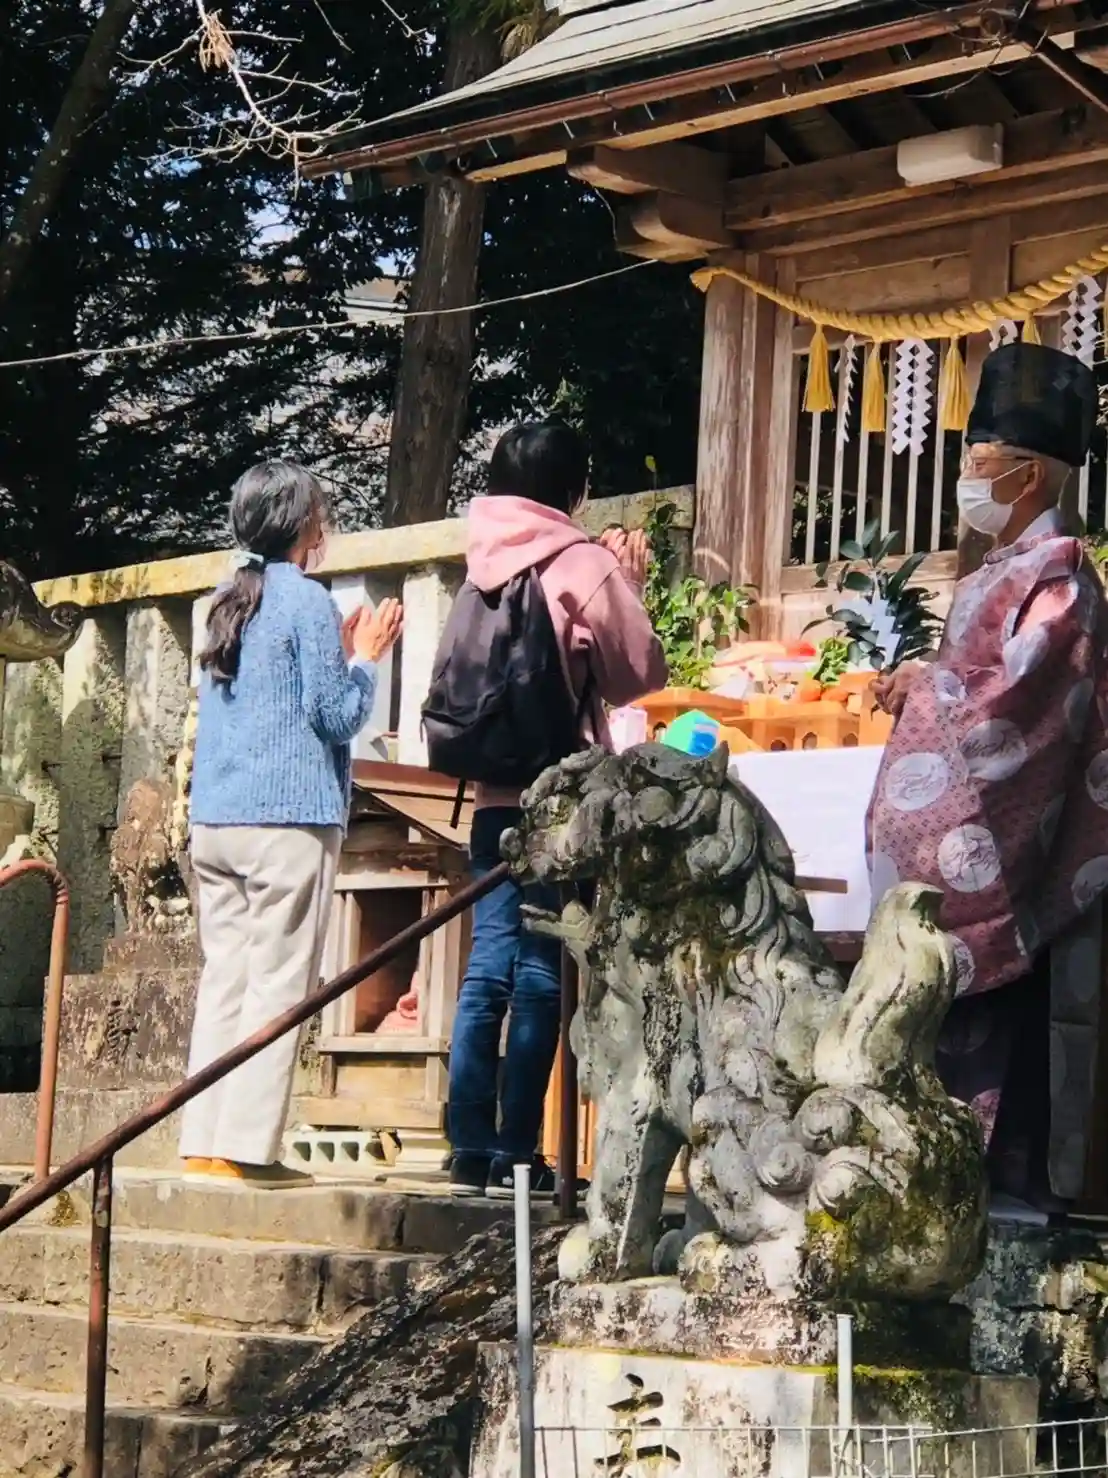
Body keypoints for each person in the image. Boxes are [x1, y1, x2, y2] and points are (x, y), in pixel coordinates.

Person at [867, 341, 1106, 1213]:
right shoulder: (1007, 570)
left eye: (978, 460)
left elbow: (1026, 705)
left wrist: (929, 692)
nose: (967, 477)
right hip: (983, 825)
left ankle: (1000, 1189)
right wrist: (926, 683)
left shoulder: (1063, 578)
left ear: (1028, 475)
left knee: (1006, 1012)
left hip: (1016, 853)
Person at [445, 421, 668, 1199]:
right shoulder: (581, 562)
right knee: (541, 975)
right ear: (574, 488)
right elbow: (638, 673)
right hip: (560, 803)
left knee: (486, 969)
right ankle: (517, 1155)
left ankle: (468, 1149)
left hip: (490, 800)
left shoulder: (479, 562)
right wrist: (628, 586)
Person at [180, 461, 402, 1188]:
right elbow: (334, 715)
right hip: (288, 818)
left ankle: (202, 1140)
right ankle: (247, 1148)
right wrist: (365, 659)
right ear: (305, 525)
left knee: (226, 980)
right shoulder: (306, 599)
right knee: (277, 984)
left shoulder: (223, 599)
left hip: (217, 819)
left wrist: (338, 650)